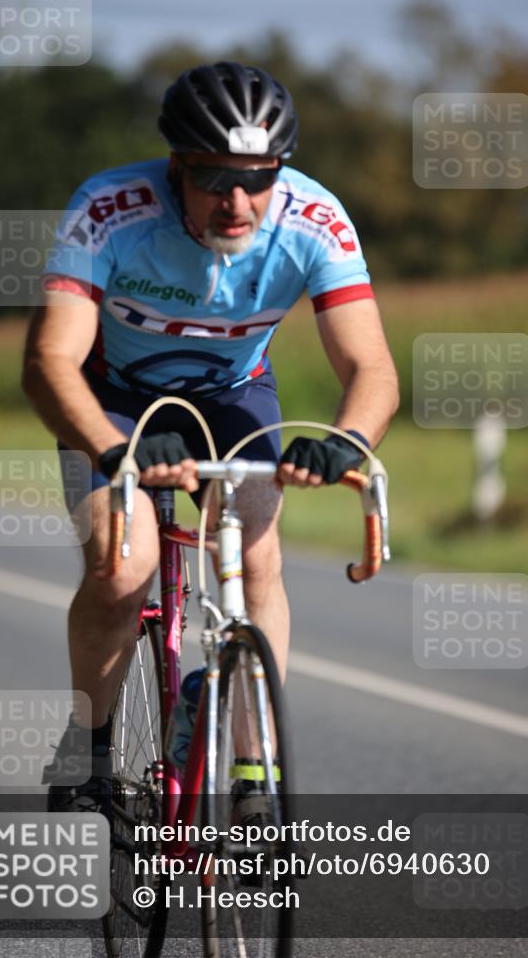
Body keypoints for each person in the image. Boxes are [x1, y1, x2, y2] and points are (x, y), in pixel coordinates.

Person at [23, 61, 399, 817]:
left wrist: (346, 440)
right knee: (121, 568)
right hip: (113, 400)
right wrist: (110, 448)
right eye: (214, 179)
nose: (237, 202)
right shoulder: (109, 209)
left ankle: (254, 773)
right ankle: (89, 748)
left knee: (257, 550)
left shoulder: (313, 220)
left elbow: (371, 366)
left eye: (257, 179)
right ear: (176, 167)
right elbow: (47, 363)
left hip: (231, 396)